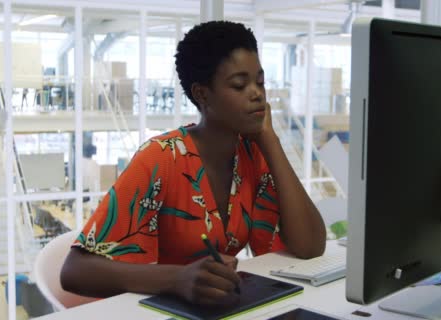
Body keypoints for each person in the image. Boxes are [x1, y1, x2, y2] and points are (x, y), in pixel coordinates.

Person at [60, 20, 326, 306]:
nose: (257, 93)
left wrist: (270, 141)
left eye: (260, 82)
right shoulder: (161, 157)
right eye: (239, 85)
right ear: (202, 94)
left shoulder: (252, 154)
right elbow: (75, 271)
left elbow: (310, 245)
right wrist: (177, 279)